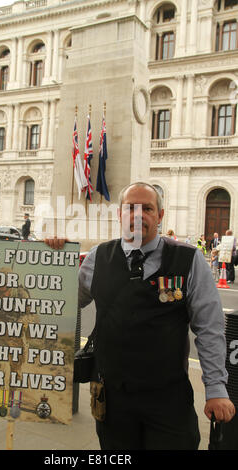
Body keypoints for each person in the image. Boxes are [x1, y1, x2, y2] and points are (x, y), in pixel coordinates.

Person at [45, 182, 235, 450]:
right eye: (130, 208)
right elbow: (60, 305)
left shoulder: (189, 260)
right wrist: (54, 260)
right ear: (119, 215)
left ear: (160, 215)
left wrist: (215, 389)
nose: (138, 214)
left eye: (147, 208)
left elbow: (210, 330)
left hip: (168, 401)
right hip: (112, 403)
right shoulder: (97, 258)